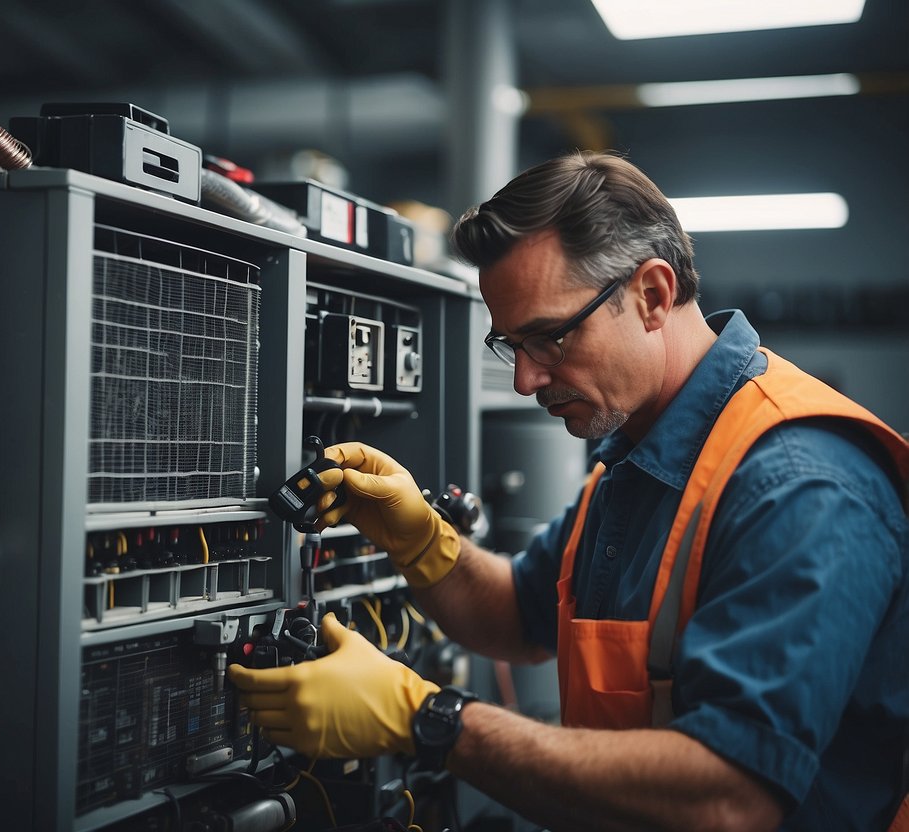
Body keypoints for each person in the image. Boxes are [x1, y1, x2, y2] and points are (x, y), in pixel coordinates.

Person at [228, 151, 909, 831]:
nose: (524, 380)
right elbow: (519, 615)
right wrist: (419, 541)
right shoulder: (640, 453)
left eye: (548, 338)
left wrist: (426, 719)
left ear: (651, 295)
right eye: (510, 345)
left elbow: (728, 798)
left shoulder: (799, 485)